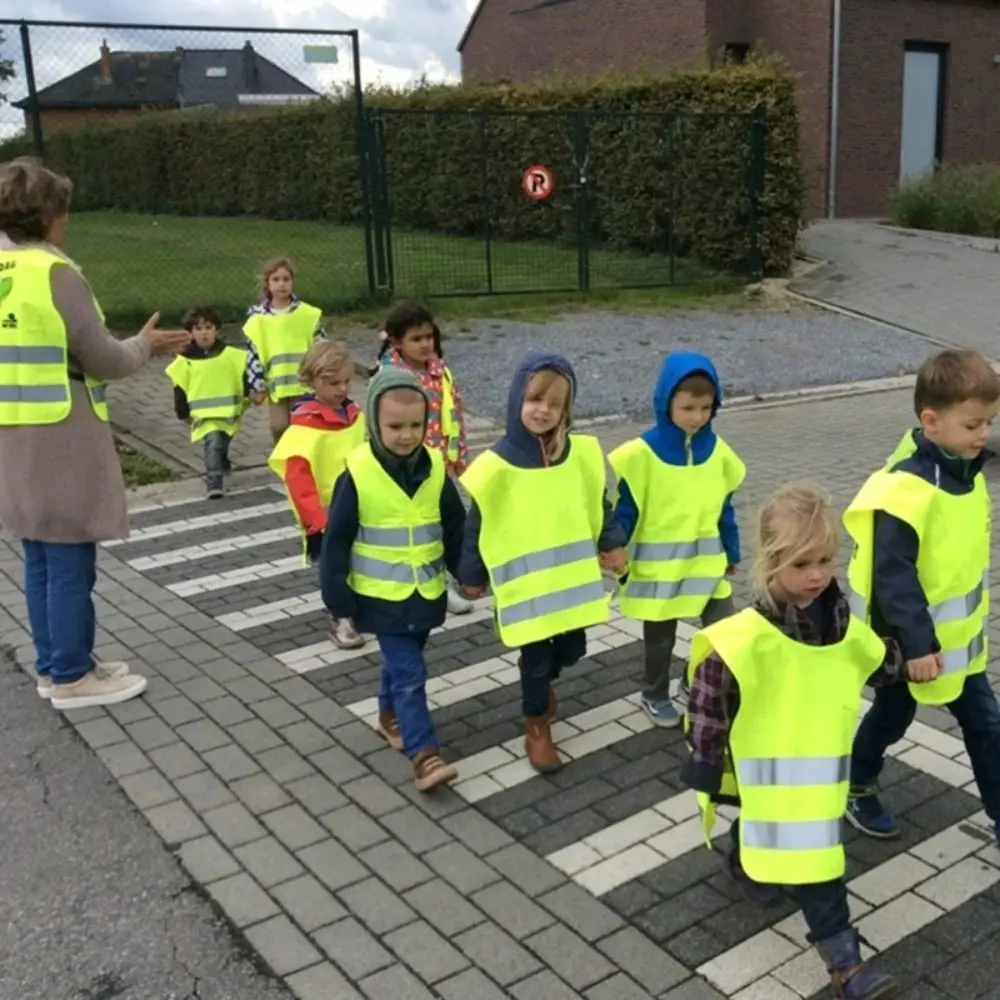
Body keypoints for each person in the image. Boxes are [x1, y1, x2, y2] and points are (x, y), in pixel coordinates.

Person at [683, 484, 907, 999]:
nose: (817, 575)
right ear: (769, 563)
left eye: (826, 560)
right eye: (802, 563)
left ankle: (744, 859)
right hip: (764, 772)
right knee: (816, 867)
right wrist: (705, 762)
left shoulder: (842, 625)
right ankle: (846, 966)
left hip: (817, 785)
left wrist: (910, 663)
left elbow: (874, 659)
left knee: (797, 849)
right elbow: (708, 701)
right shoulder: (744, 638)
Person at [0, 157, 191, 710]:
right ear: (47, 215)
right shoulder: (53, 272)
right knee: (68, 563)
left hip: (11, 436)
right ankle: (71, 678)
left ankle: (58, 664)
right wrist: (145, 346)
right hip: (58, 435)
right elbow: (104, 359)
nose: (68, 222)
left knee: (38, 557)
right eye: (64, 211)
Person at [843, 348, 1000, 843]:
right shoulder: (906, 489)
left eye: (989, 422)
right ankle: (858, 784)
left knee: (986, 726)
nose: (984, 435)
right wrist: (916, 646)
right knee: (893, 715)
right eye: (973, 424)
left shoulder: (963, 471)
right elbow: (893, 577)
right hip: (908, 646)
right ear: (931, 422)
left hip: (958, 646)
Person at [458, 351, 628, 773]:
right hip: (525, 595)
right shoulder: (494, 467)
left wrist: (613, 544)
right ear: (517, 399)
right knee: (535, 664)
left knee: (573, 649)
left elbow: (599, 506)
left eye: (555, 404)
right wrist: (471, 575)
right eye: (535, 399)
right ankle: (536, 726)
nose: (544, 410)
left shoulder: (581, 456)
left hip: (571, 591)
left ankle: (545, 686)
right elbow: (477, 524)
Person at [320, 367, 466, 791]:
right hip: (379, 599)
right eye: (395, 426)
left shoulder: (435, 467)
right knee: (410, 672)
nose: (406, 435)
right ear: (373, 424)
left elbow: (456, 528)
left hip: (425, 594)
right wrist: (338, 599)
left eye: (416, 425)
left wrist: (469, 573)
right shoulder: (358, 473)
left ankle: (388, 717)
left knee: (404, 665)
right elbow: (337, 541)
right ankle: (424, 754)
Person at [610, 352, 744, 727]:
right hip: (659, 571)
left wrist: (731, 551)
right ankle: (653, 693)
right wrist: (615, 547)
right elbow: (626, 510)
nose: (697, 416)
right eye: (687, 407)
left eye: (706, 407)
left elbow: (725, 510)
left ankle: (692, 679)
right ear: (665, 401)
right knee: (660, 641)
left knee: (722, 632)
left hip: (706, 564)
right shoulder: (641, 454)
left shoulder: (718, 453)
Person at [376, 302, 472, 615]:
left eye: (429, 337)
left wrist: (459, 457)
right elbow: (377, 426)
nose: (425, 344)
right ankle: (431, 583)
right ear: (396, 342)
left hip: (440, 465)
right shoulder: (390, 376)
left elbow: (455, 415)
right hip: (408, 468)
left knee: (446, 524)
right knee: (421, 528)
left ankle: (447, 579)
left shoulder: (440, 372)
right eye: (416, 339)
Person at [268, 340, 366, 649]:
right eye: (332, 382)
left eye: (346, 381)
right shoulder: (302, 430)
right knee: (332, 567)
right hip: (325, 515)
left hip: (362, 506)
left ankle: (358, 609)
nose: (341, 389)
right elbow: (299, 482)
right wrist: (316, 524)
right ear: (311, 381)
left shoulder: (356, 418)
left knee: (360, 561)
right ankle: (341, 617)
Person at [167, 305, 258, 499]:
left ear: (216, 330)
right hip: (203, 416)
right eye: (198, 329)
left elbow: (243, 377)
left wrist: (251, 393)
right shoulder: (185, 361)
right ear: (190, 333)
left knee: (221, 443)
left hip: (230, 413)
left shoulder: (232, 355)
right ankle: (214, 482)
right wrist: (182, 411)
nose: (204, 333)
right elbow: (180, 387)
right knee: (213, 442)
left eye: (208, 327)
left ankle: (222, 461)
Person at [242, 257, 324, 445]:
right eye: (276, 279)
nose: (281, 284)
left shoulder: (307, 314)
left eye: (286, 279)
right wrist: (256, 385)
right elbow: (253, 354)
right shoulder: (258, 319)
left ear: (292, 282)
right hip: (276, 384)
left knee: (302, 426)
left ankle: (300, 465)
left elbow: (321, 345)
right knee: (278, 426)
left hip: (303, 383)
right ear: (267, 284)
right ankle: (284, 461)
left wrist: (322, 374)